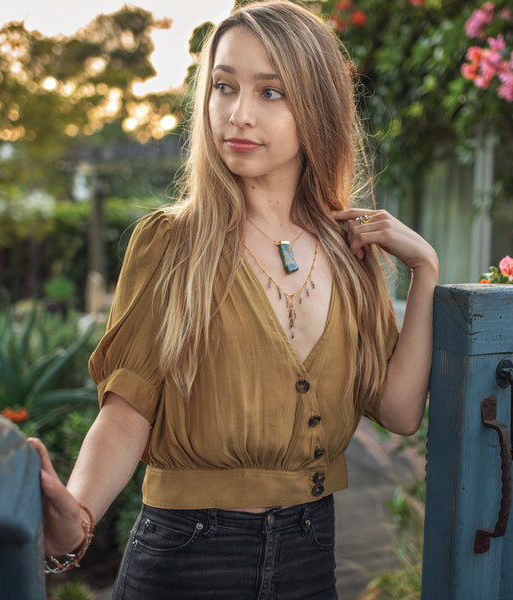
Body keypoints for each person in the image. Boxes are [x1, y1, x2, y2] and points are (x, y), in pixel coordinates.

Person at [29, 1, 439, 598]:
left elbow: (400, 412)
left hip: (310, 557)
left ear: (317, 107)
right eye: (224, 87)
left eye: (271, 93)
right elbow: (126, 413)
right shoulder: (172, 243)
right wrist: (79, 516)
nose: (239, 114)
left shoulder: (353, 253)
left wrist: (425, 270)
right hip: (185, 559)